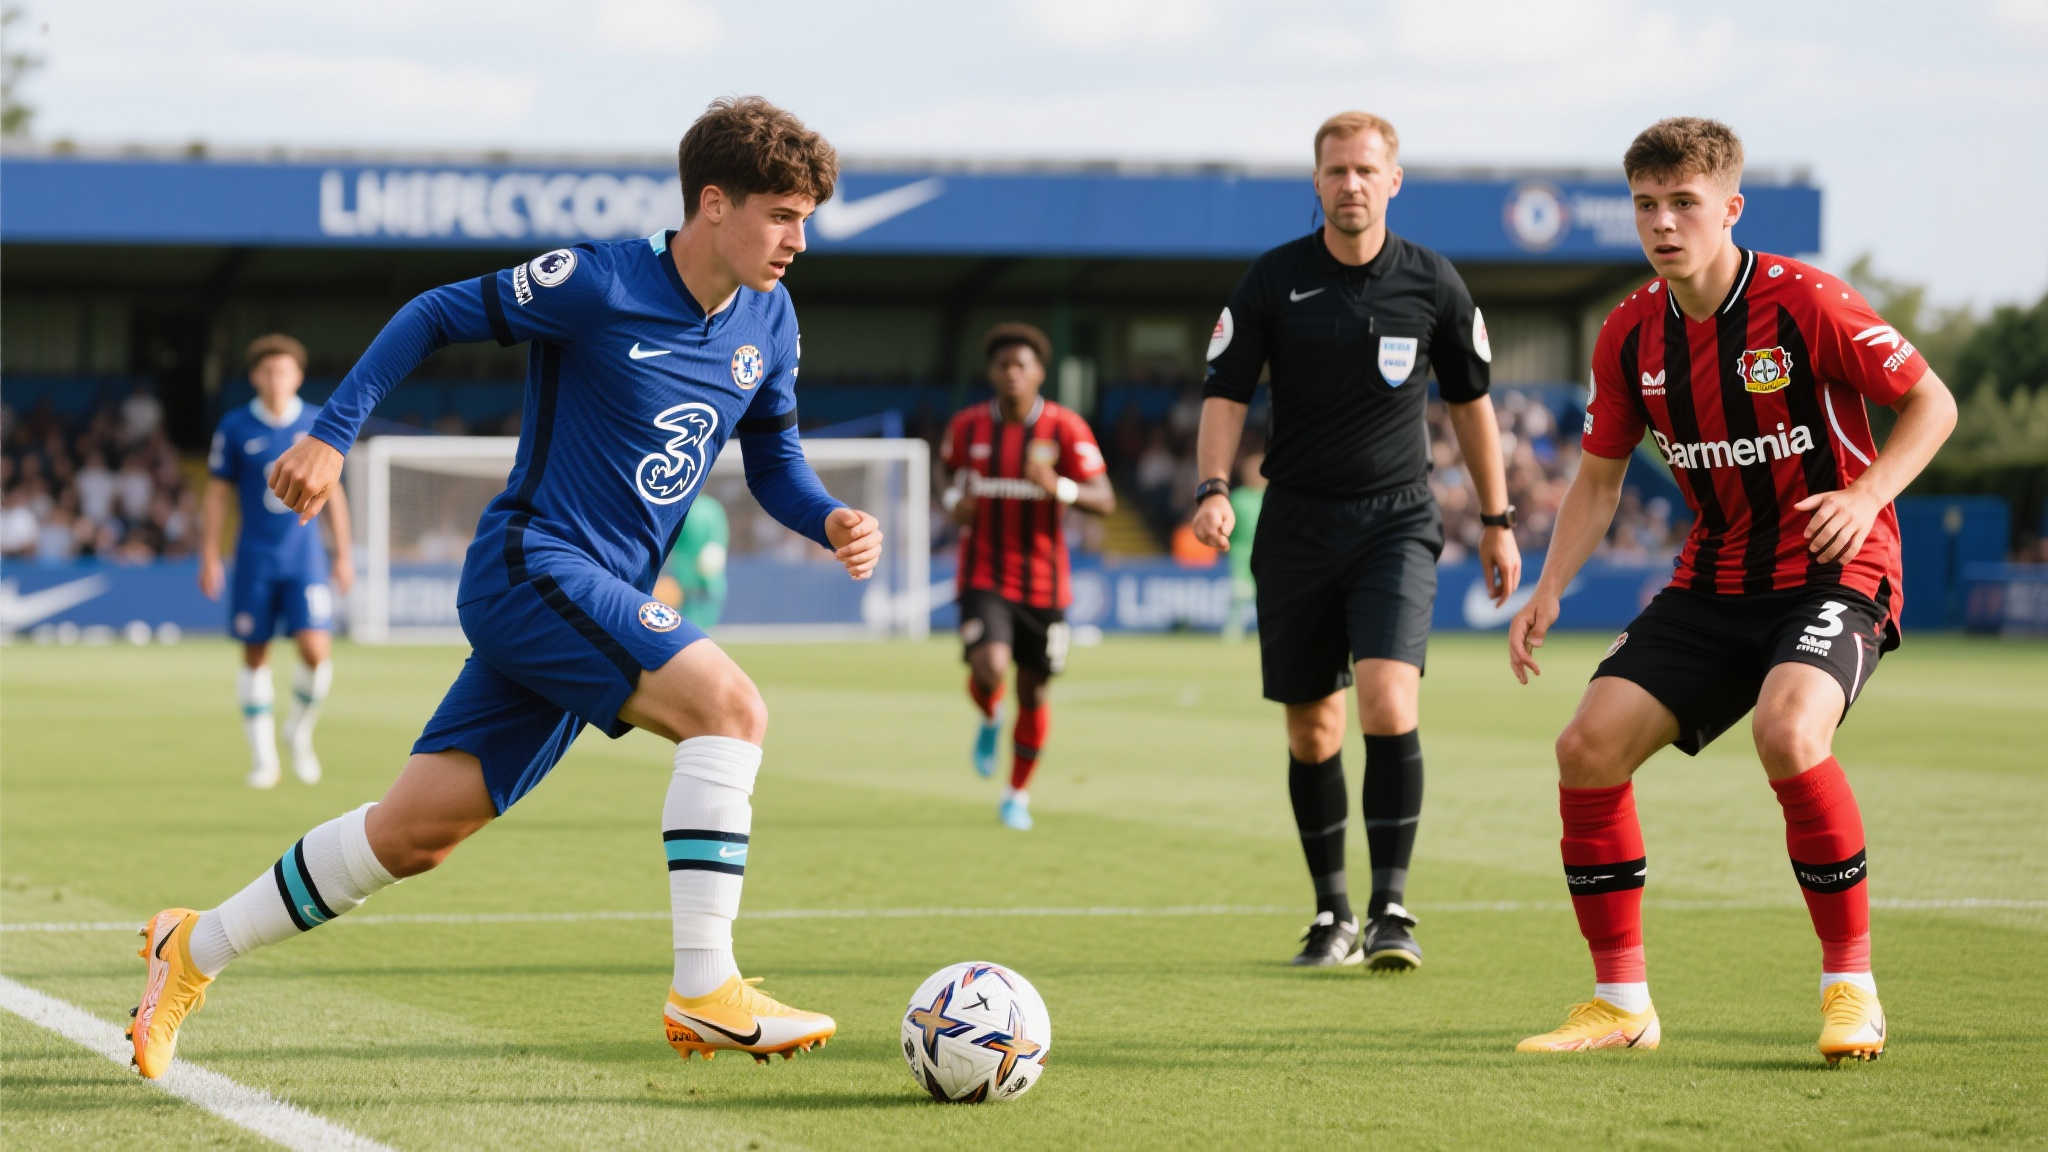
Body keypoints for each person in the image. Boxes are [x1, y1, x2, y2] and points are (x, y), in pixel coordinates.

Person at [128, 97, 883, 1079]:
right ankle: (705, 988)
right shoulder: (599, 280)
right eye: (782, 215)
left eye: (806, 219)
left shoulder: (769, 320)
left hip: (592, 598)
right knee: (730, 710)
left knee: (413, 835)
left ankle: (192, 946)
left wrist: (827, 516)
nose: (799, 241)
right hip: (535, 566)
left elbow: (775, 463)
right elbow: (432, 313)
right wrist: (331, 433)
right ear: (712, 203)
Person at [1507, 117, 1956, 1062]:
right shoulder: (1629, 332)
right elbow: (1599, 478)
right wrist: (1548, 590)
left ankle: (1852, 991)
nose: (1663, 223)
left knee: (1788, 731)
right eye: (1646, 206)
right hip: (1714, 579)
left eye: (1684, 203)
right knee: (1586, 748)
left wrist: (1866, 494)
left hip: (1836, 570)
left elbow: (1933, 401)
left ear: (1731, 208)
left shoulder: (1806, 302)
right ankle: (1622, 1007)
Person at [1193, 110, 1520, 970]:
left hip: (1395, 521)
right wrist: (1214, 486)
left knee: (1387, 700)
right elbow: (1226, 391)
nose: (1351, 185)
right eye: (1337, 171)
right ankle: (1331, 913)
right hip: (1296, 524)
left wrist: (1497, 520)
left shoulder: (1432, 282)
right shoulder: (1273, 280)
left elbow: (1472, 405)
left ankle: (1391, 909)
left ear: (1393, 181)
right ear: (1317, 181)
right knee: (1313, 730)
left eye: (1367, 171)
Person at [939, 323, 1114, 830]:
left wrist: (1059, 487)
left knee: (1034, 692)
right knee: (990, 667)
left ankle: (1016, 795)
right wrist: (952, 501)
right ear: (992, 373)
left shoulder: (1065, 428)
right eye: (1003, 365)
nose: (1012, 373)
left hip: (1044, 581)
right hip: (984, 571)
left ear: (1039, 373)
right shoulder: (968, 426)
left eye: (1022, 365)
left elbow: (1105, 499)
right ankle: (990, 713)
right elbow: (945, 470)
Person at [201, 334, 353, 789]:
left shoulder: (316, 424)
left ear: (298, 376)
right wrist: (210, 554)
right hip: (254, 557)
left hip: (305, 557)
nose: (275, 379)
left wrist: (344, 554)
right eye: (267, 371)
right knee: (255, 652)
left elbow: (335, 493)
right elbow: (217, 494)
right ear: (255, 377)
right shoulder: (235, 426)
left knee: (316, 651)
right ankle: (263, 759)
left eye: (284, 371)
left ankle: (299, 734)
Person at [654, 490, 729, 629]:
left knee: (687, 623)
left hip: (694, 578)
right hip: (689, 578)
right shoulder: (707, 507)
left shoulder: (696, 508)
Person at [1222, 451, 1266, 643]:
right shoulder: (1237, 498)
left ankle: (1266, 631)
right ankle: (1233, 631)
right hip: (1242, 554)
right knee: (1240, 593)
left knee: (1267, 595)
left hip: (1269, 554)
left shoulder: (1271, 497)